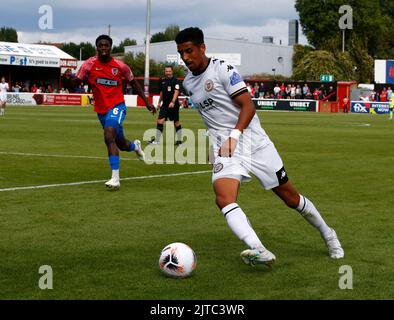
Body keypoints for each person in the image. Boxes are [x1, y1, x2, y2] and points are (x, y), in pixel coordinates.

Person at [175, 27, 344, 267]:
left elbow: (248, 106)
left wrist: (234, 135)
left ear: (202, 48)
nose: (185, 57)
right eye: (181, 53)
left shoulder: (223, 69)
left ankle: (328, 233)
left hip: (254, 143)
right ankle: (259, 249)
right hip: (226, 148)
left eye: (189, 51)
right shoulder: (189, 83)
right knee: (223, 198)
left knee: (291, 198)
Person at [74, 34, 156, 190]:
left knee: (108, 135)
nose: (104, 48)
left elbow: (134, 83)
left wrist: (146, 102)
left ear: (110, 48)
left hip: (117, 106)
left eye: (106, 45)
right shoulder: (89, 64)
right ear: (96, 48)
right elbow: (76, 82)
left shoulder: (120, 66)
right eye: (101, 45)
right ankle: (136, 147)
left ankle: (115, 178)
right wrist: (68, 79)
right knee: (121, 143)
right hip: (101, 110)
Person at [149, 65, 182, 145]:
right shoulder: (162, 80)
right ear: (165, 72)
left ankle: (179, 141)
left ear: (172, 71)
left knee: (176, 122)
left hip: (173, 105)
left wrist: (173, 102)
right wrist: (159, 103)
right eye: (166, 71)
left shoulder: (176, 81)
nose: (168, 73)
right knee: (160, 121)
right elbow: (162, 92)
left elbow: (176, 91)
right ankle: (157, 140)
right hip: (164, 105)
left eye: (169, 71)